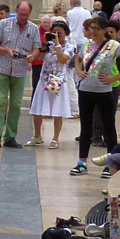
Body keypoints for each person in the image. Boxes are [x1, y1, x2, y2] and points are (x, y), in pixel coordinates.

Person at [70, 15, 120, 175]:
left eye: (96, 28)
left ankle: (111, 162)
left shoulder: (113, 45)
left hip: (104, 91)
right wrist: (79, 71)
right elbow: (78, 60)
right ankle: (82, 162)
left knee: (108, 126)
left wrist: (115, 78)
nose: (93, 31)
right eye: (91, 28)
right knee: (85, 127)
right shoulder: (86, 45)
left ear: (104, 30)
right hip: (85, 89)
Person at [0, 0, 40, 149]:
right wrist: (7, 51)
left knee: (16, 104)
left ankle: (10, 136)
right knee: (0, 102)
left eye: (26, 14)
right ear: (16, 11)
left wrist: (32, 56)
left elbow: (37, 49)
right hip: (2, 68)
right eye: (21, 14)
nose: (23, 17)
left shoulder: (33, 29)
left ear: (30, 13)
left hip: (20, 71)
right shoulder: (4, 24)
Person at [26, 21, 74, 149]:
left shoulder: (69, 46)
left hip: (58, 81)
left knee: (57, 111)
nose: (57, 35)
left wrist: (57, 44)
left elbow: (62, 59)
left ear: (66, 33)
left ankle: (55, 138)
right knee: (37, 109)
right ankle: (37, 136)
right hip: (44, 79)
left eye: (60, 33)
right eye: (54, 32)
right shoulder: (49, 44)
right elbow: (40, 58)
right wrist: (45, 44)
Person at [29, 14, 52, 107]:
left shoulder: (53, 33)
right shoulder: (36, 32)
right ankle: (34, 106)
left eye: (48, 22)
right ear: (41, 22)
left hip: (50, 63)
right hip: (37, 62)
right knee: (36, 85)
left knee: (49, 86)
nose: (46, 24)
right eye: (44, 22)